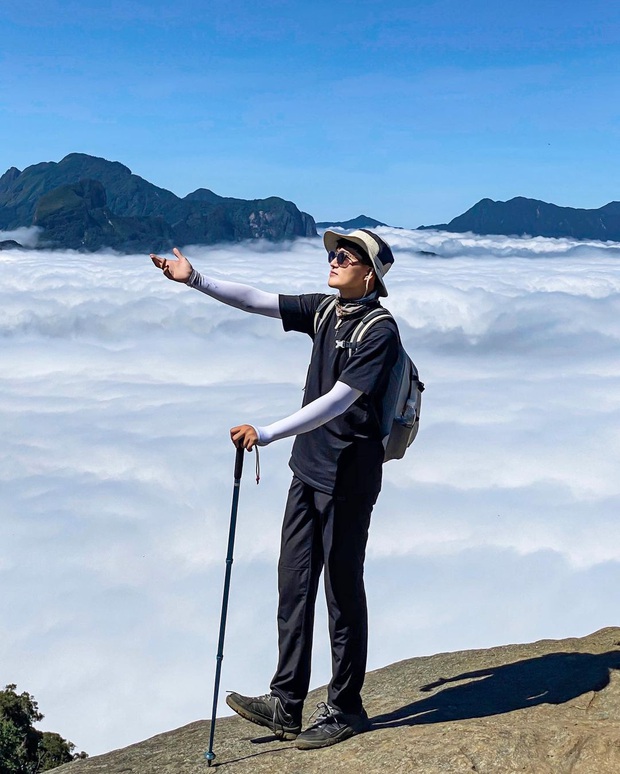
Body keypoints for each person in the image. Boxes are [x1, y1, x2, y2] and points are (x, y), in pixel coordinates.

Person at [150, 229, 398, 749]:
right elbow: (259, 300)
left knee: (342, 593)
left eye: (345, 257)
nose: (333, 260)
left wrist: (266, 432)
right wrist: (195, 279)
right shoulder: (327, 311)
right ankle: (287, 703)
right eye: (332, 253)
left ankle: (346, 707)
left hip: (348, 481)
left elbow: (340, 399)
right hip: (308, 471)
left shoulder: (380, 332)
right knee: (295, 584)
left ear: (369, 273)